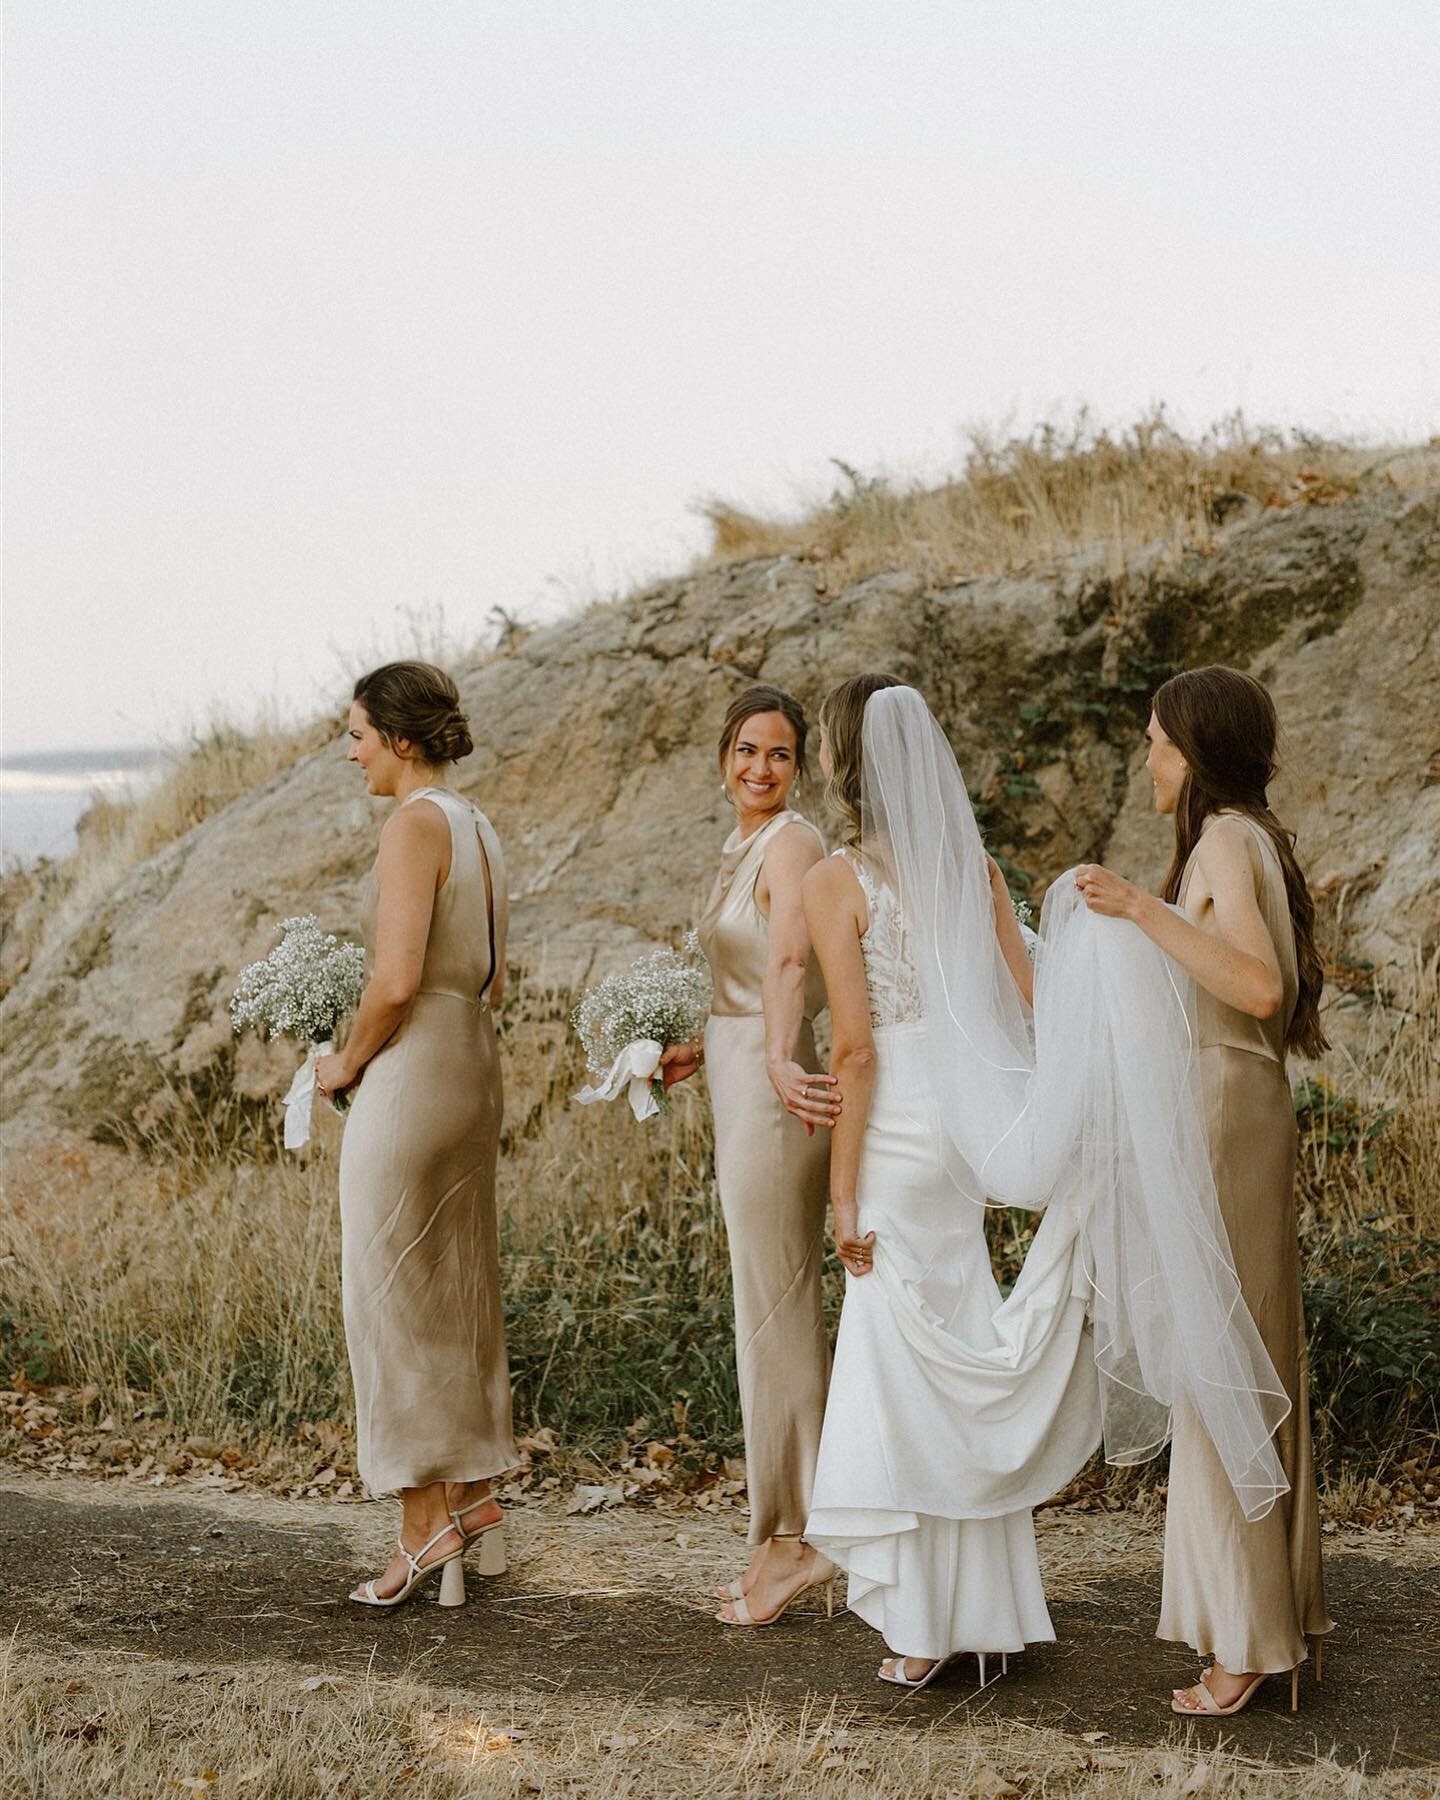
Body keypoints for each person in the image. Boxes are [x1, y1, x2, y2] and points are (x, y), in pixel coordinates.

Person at [800, 675, 1102, 1687]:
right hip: (965, 1132)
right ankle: (990, 1612)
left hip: (892, 1135)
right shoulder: (967, 866)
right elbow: (1033, 996)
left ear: (843, 764)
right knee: (961, 1336)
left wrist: (842, 1198)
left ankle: (925, 1628)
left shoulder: (834, 881)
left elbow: (852, 1054)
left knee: (897, 1366)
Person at [1074, 665, 1332, 1717]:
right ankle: (1272, 1616)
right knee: (1250, 1350)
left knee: (1224, 1357)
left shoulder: (1225, 840)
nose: (1149, 759)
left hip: (1230, 1110)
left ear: (1197, 750)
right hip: (1235, 1104)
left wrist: (1139, 905)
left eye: (1157, 741)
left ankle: (1245, 1639)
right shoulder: (1247, 840)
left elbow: (1257, 987)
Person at [314, 659, 516, 1608]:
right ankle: (470, 1492)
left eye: (356, 734)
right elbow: (496, 981)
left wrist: (346, 1062)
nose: (348, 752)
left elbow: (393, 980)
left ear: (398, 739)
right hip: (473, 1065)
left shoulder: (410, 827)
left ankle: (419, 1525)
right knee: (454, 1290)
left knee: (386, 1297)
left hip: (413, 1068)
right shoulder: (479, 828)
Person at [661, 684, 840, 1628]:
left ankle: (798, 1539)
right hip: (738, 1069)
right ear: (723, 757)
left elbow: (792, 966)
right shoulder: (739, 845)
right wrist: (708, 1042)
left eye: (776, 754)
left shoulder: (793, 843)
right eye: (744, 750)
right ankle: (776, 1533)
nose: (758, 769)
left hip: (775, 1090)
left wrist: (773, 1054)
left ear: (798, 766)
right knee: (759, 1308)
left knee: (778, 1311)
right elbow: (743, 975)